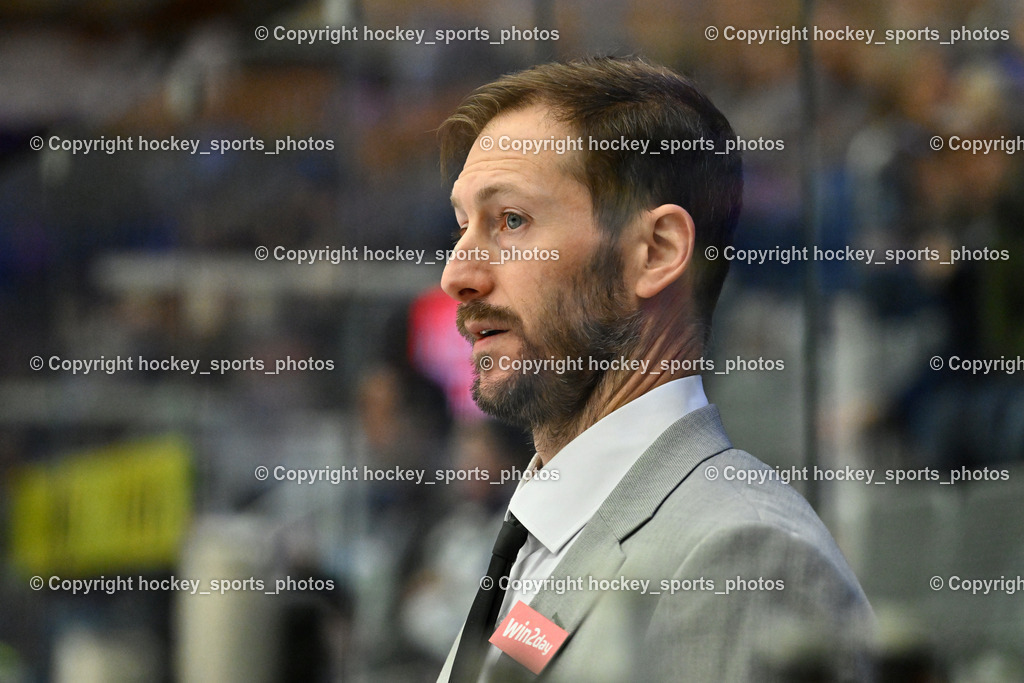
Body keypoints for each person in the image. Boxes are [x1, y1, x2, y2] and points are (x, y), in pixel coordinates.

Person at [435, 56, 874, 682]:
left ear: (657, 251)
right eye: (462, 226)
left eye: (511, 220)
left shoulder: (745, 557)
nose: (457, 275)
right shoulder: (539, 532)